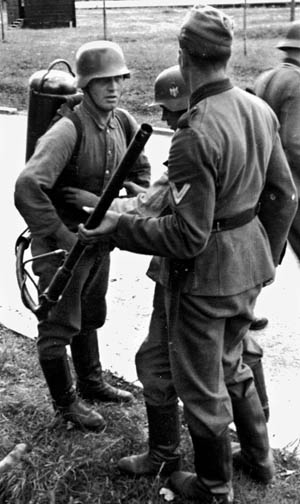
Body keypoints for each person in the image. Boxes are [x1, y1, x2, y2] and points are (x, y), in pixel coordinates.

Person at [79, 6, 297, 503]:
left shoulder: (195, 132)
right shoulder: (257, 108)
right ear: (223, 54)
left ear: (184, 56)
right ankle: (258, 461)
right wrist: (264, 255)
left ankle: (213, 487)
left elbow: (187, 237)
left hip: (204, 278)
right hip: (247, 265)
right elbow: (283, 195)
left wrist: (117, 227)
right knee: (233, 364)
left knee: (201, 387)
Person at [14, 40, 151, 431]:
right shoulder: (67, 129)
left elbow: (142, 179)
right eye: (103, 81)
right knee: (57, 323)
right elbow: (28, 187)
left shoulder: (121, 122)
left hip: (96, 241)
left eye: (118, 80)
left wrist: (105, 202)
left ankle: (91, 382)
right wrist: (60, 235)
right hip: (60, 246)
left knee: (89, 313)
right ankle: (66, 405)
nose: (113, 88)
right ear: (86, 84)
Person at [254, 21, 300, 263]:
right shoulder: (297, 82)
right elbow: (295, 143)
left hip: (263, 182)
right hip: (292, 183)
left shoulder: (265, 77)